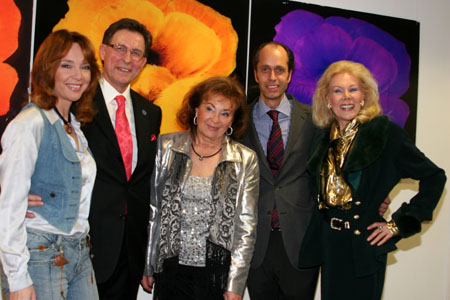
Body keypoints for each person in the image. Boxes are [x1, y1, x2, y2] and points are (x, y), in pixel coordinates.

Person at [26, 18, 162, 299]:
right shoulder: (74, 100)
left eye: (136, 53)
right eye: (119, 48)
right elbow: (28, 147)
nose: (127, 59)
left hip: (130, 250)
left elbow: (140, 182)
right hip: (77, 246)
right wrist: (13, 191)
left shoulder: (151, 113)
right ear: (102, 51)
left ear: (144, 61)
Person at [300, 60, 446, 300]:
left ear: (364, 96)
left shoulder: (384, 133)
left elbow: (434, 177)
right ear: (327, 98)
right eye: (338, 90)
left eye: (353, 89)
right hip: (329, 243)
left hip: (363, 245)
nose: (346, 97)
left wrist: (397, 225)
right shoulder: (323, 137)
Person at [0, 30, 100, 299]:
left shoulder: (73, 127)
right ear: (48, 69)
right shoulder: (30, 124)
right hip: (41, 253)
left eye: (85, 67)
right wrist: (18, 278)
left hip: (79, 250)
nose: (78, 75)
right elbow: (8, 207)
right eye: (66, 65)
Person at [143, 76, 259, 300]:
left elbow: (245, 229)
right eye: (210, 108)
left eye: (225, 113)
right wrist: (148, 263)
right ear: (196, 109)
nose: (215, 119)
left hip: (216, 273)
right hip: (171, 267)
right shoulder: (166, 147)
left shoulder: (245, 160)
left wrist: (236, 285)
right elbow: (154, 210)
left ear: (232, 120)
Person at [242, 41, 319, 300]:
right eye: (265, 69)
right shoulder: (238, 121)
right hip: (255, 245)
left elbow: (335, 168)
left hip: (299, 243)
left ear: (289, 75)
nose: (272, 77)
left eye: (279, 70)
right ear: (255, 74)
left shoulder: (314, 121)